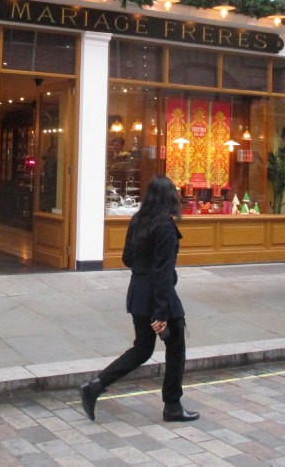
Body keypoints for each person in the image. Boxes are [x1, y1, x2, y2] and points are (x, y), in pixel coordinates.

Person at [80, 175, 199, 423]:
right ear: (171, 199)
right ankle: (173, 406)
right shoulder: (165, 228)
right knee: (176, 350)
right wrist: (162, 313)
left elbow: (127, 258)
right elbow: (163, 273)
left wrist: (143, 272)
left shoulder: (137, 220)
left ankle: (96, 385)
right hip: (159, 297)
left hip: (138, 294)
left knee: (142, 349)